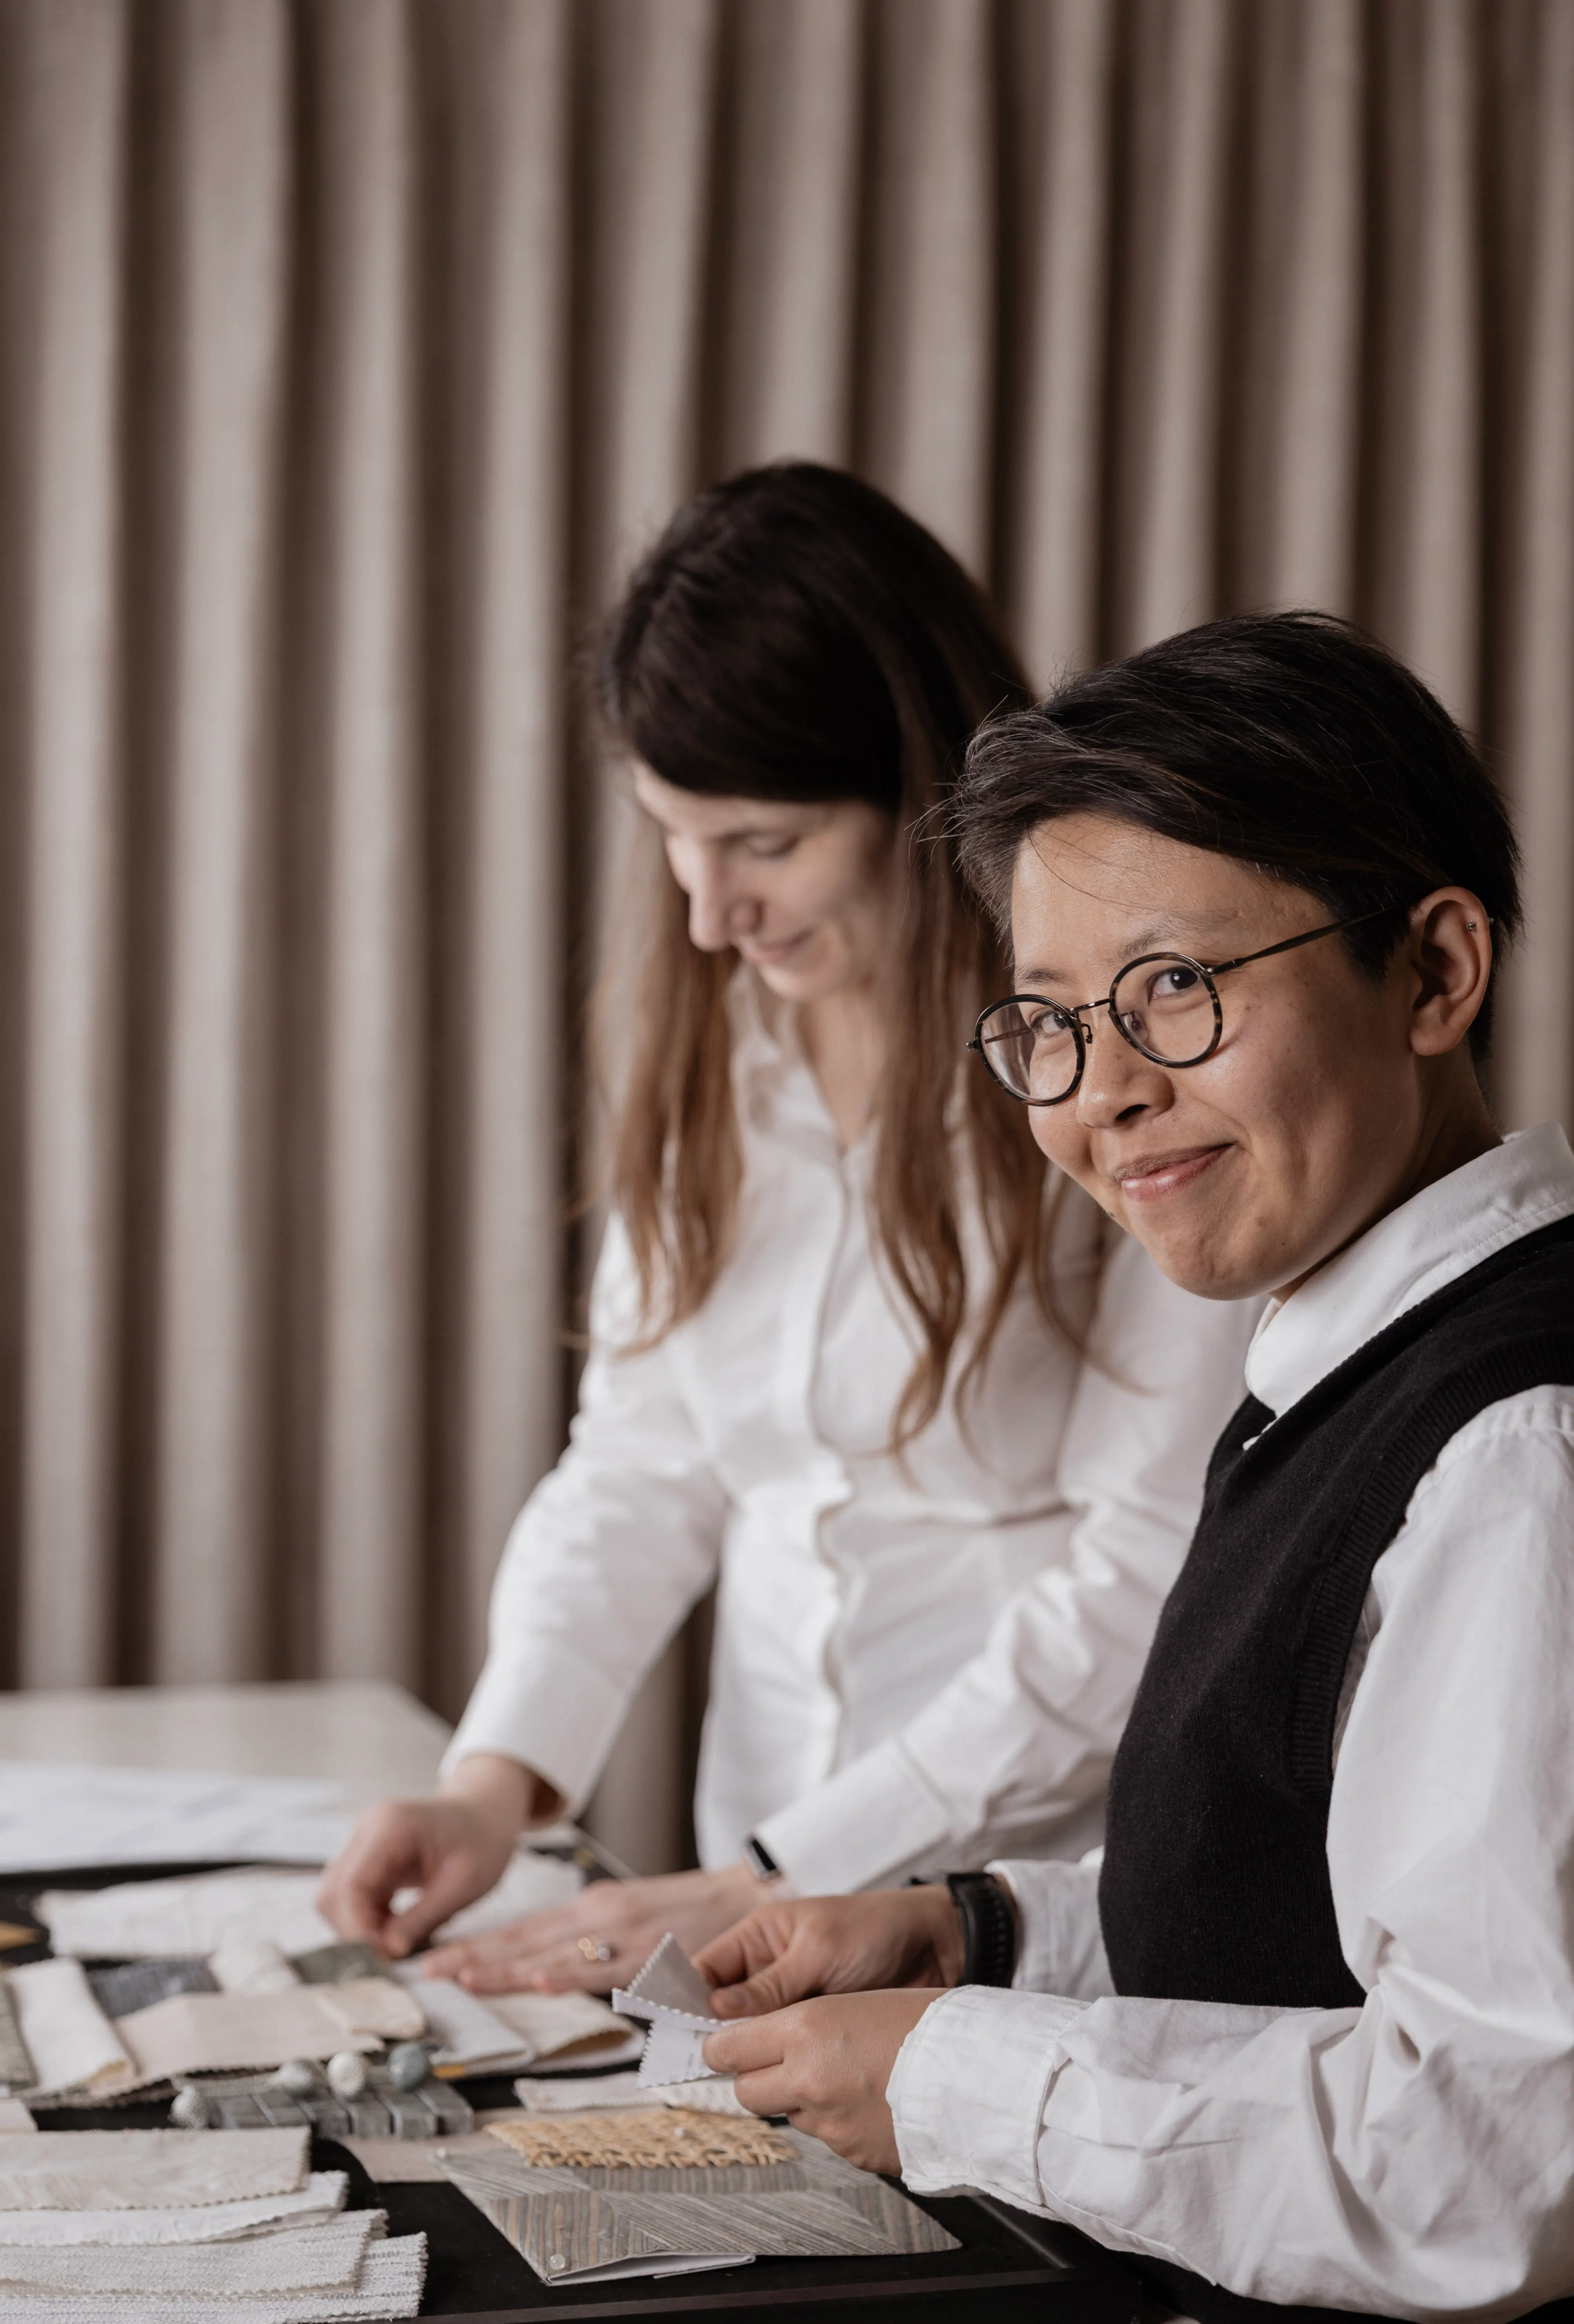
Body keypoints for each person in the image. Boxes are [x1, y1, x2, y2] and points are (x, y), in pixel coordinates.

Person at [697, 611, 1574, 2324]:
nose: (1100, 1093)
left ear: (1432, 971)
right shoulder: (1345, 1357)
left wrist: (962, 2072)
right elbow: (1331, 1901)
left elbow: (1483, 2165)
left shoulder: (1512, 1449)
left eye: (1176, 985)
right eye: (1047, 1019)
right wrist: (985, 1933)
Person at [318, 464, 1254, 1995]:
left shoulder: (1105, 1073)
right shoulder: (714, 1062)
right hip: (746, 1874)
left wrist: (802, 1861)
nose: (708, 914)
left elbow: (1148, 1559)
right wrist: (493, 1779)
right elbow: (641, 1464)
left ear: (924, 796)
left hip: (1030, 1902)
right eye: (673, 837)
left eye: (762, 843)